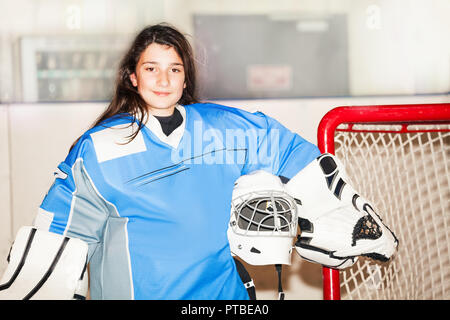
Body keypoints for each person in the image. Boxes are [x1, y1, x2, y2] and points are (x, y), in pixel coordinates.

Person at [3, 23, 397, 300]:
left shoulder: (226, 128)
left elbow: (293, 154)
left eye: (174, 69)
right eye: (151, 68)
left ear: (185, 78)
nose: (163, 79)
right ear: (131, 77)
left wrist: (348, 215)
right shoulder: (99, 148)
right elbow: (57, 241)